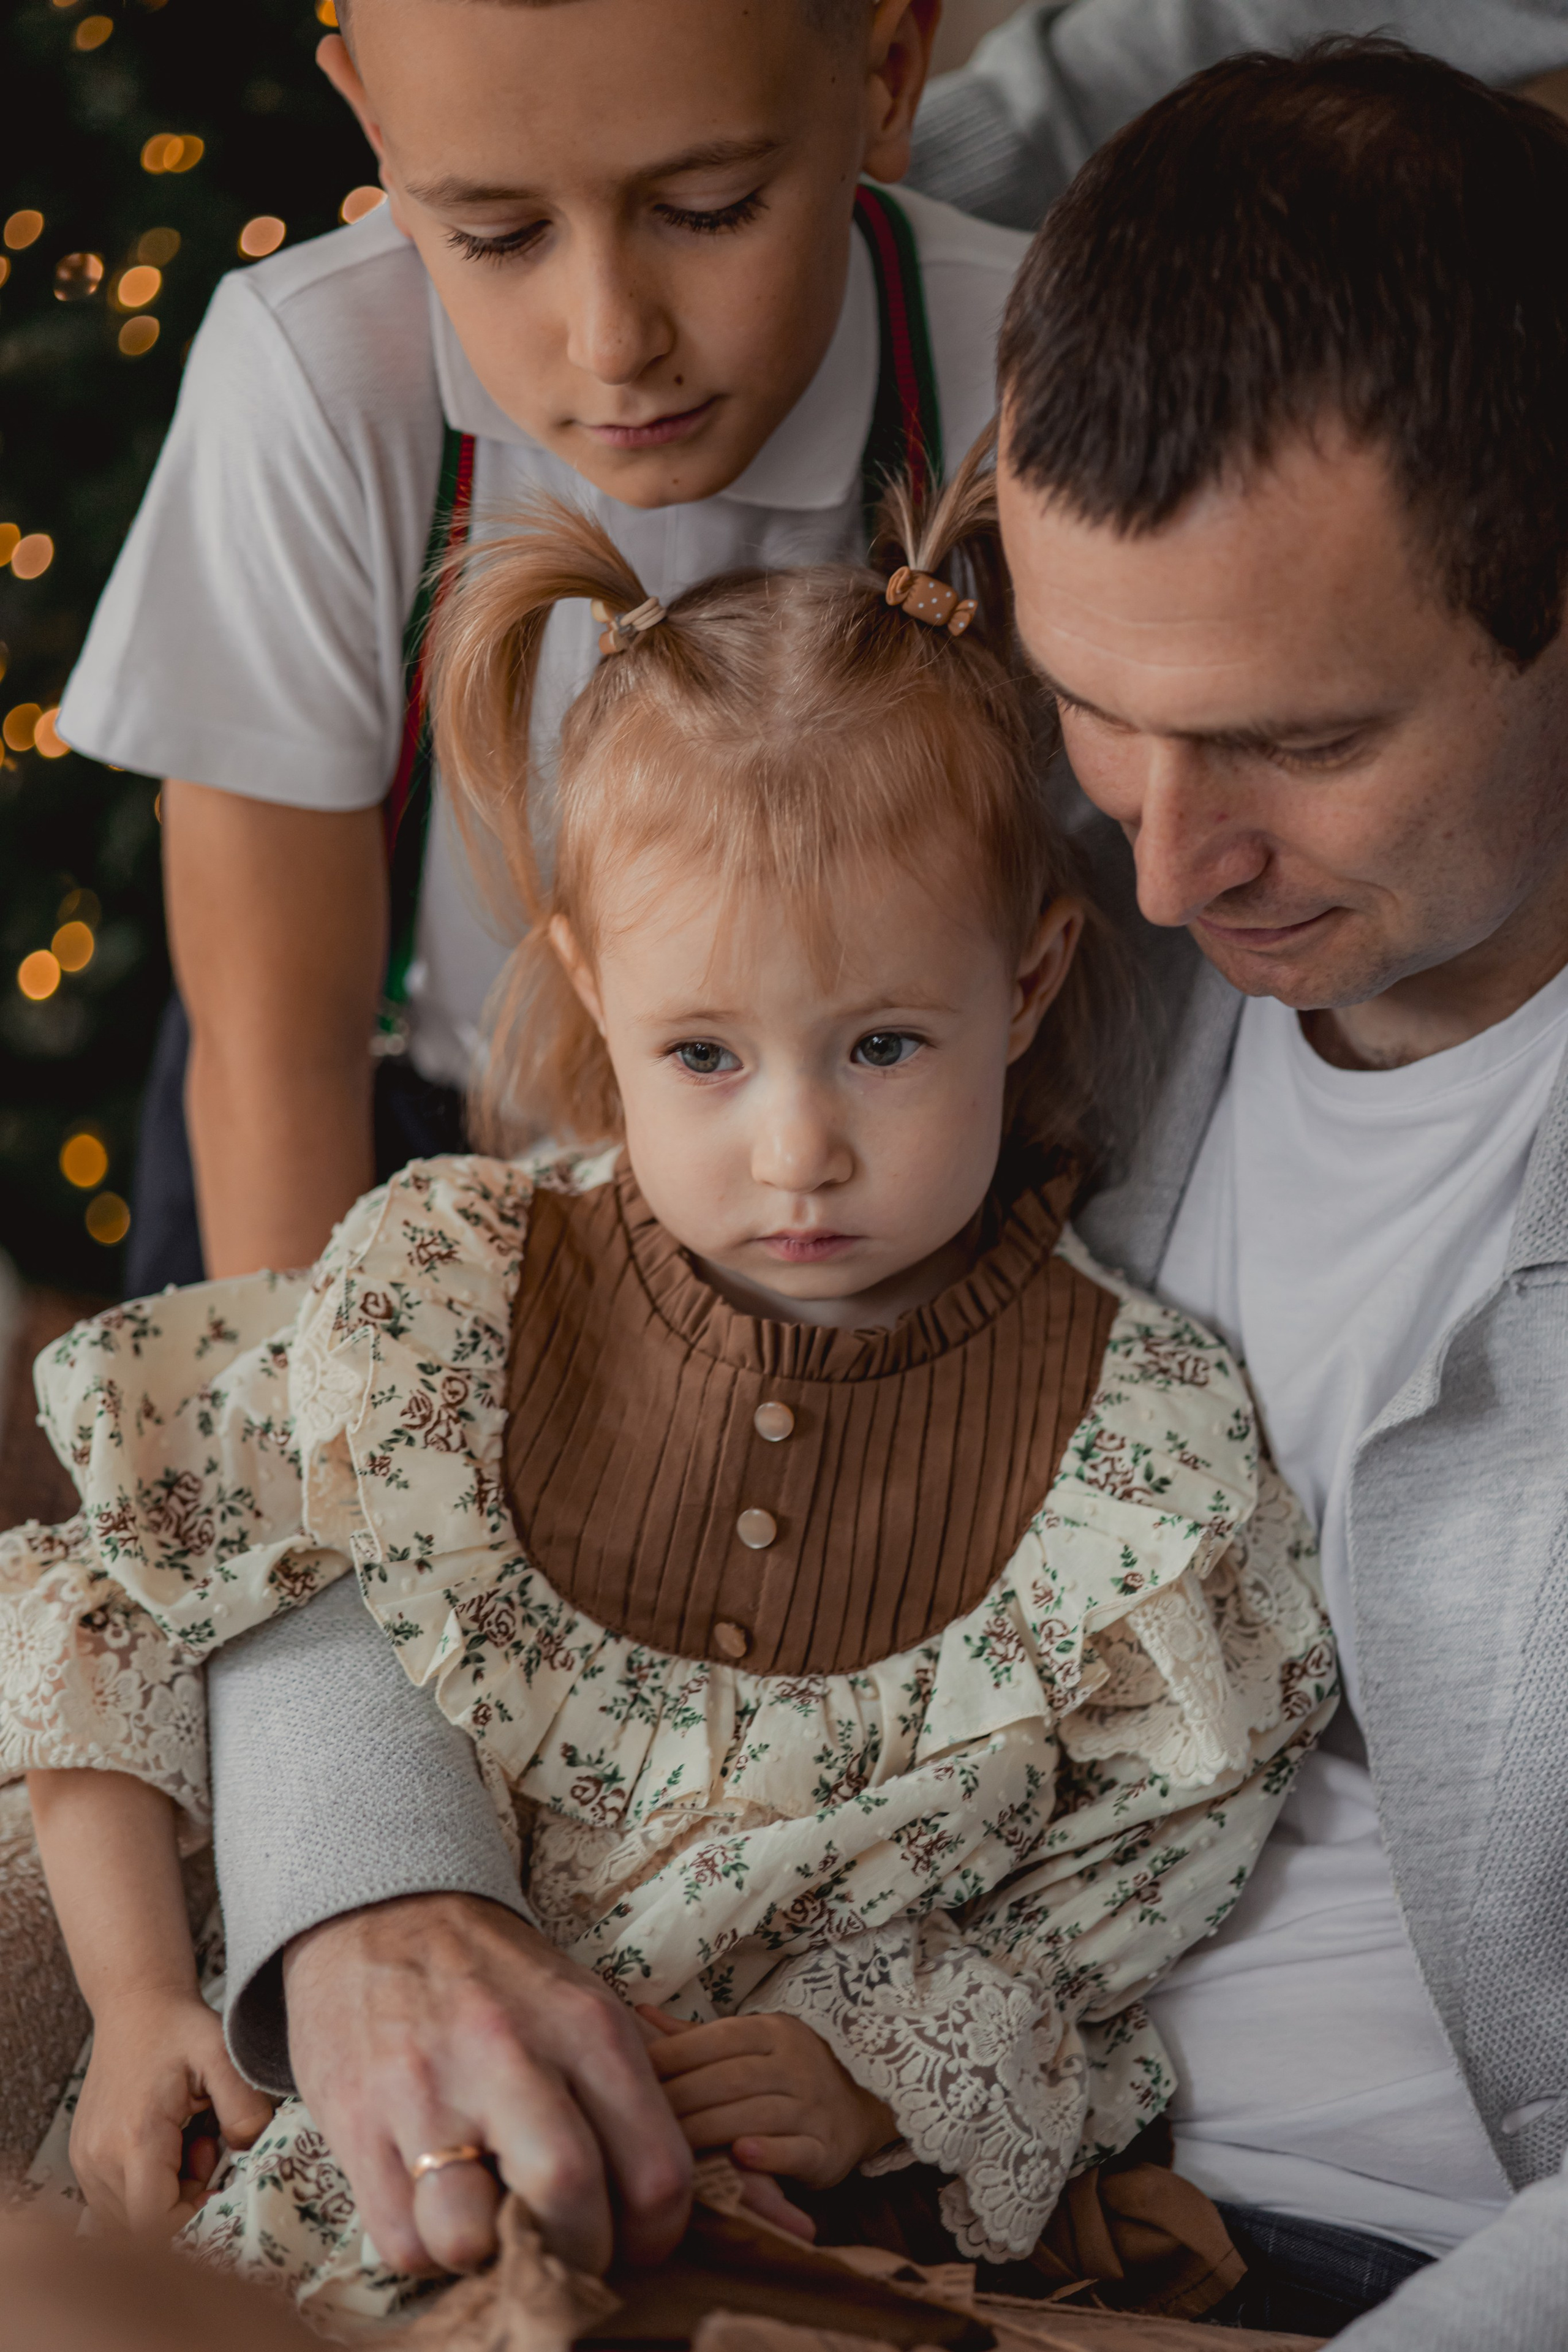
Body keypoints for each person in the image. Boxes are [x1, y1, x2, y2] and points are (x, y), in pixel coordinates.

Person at [5, 462, 1335, 2328]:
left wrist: (874, 2065)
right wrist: (147, 1998)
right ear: (591, 992)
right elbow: (137, 1600)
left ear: (1027, 983)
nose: (799, 1151)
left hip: (734, 2232)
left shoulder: (1141, 1457)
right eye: (703, 1053)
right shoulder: (447, 1294)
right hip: (314, 2134)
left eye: (884, 1044)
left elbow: (1119, 1911)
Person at [56, 0, 1568, 1299]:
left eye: (708, 208)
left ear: (888, 75)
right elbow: (274, 1046)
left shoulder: (1015, 376)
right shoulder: (318, 388)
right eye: (494, 232)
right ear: (371, 123)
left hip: (877, 1144)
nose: (609, 338)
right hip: (400, 1129)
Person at [991, 34, 1568, 2345]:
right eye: (1095, 705)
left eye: (1307, 745)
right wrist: (374, 1907)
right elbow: (426, 1363)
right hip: (899, 2163)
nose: (1164, 860)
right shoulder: (1050, 938)